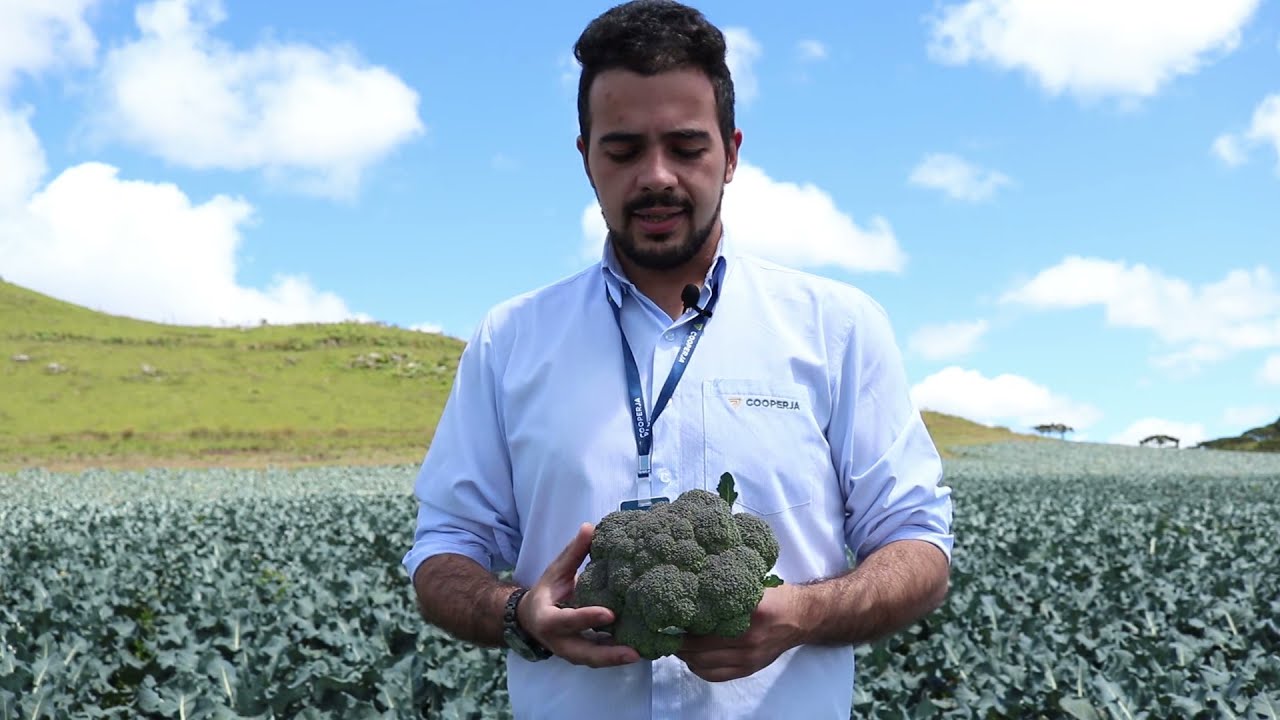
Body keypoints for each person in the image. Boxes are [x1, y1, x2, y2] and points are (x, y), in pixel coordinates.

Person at [403, 1, 954, 717]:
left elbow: (918, 544)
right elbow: (444, 549)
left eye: (687, 147)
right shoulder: (509, 340)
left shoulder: (838, 327)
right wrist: (519, 614)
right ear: (586, 158)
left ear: (731, 153)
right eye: (624, 149)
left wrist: (805, 615)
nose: (656, 176)